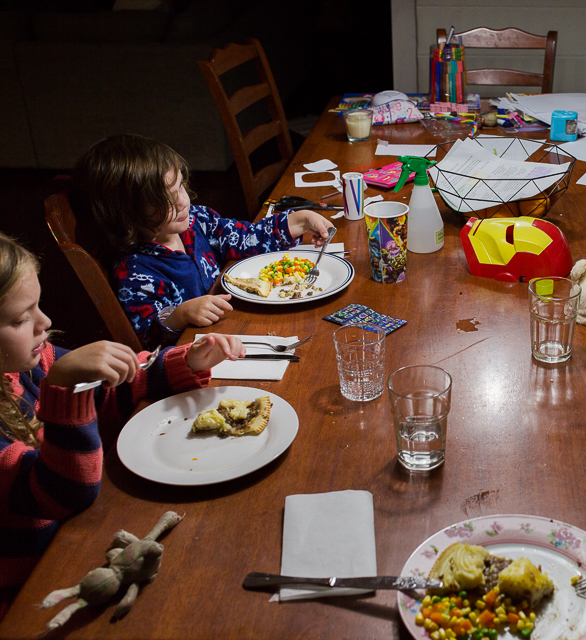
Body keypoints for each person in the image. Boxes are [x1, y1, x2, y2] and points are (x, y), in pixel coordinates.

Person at [0, 232, 245, 618]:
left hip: (82, 535)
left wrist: (187, 362)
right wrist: (65, 387)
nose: (44, 323)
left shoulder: (29, 362)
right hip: (38, 587)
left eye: (38, 307)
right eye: (20, 318)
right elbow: (61, 494)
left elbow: (109, 394)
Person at [71, 134, 335, 350]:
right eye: (165, 199)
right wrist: (180, 315)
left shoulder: (195, 220)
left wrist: (297, 221)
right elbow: (147, 342)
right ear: (126, 213)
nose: (183, 201)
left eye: (180, 188)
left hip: (234, 325)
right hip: (203, 358)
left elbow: (243, 237)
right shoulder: (135, 271)